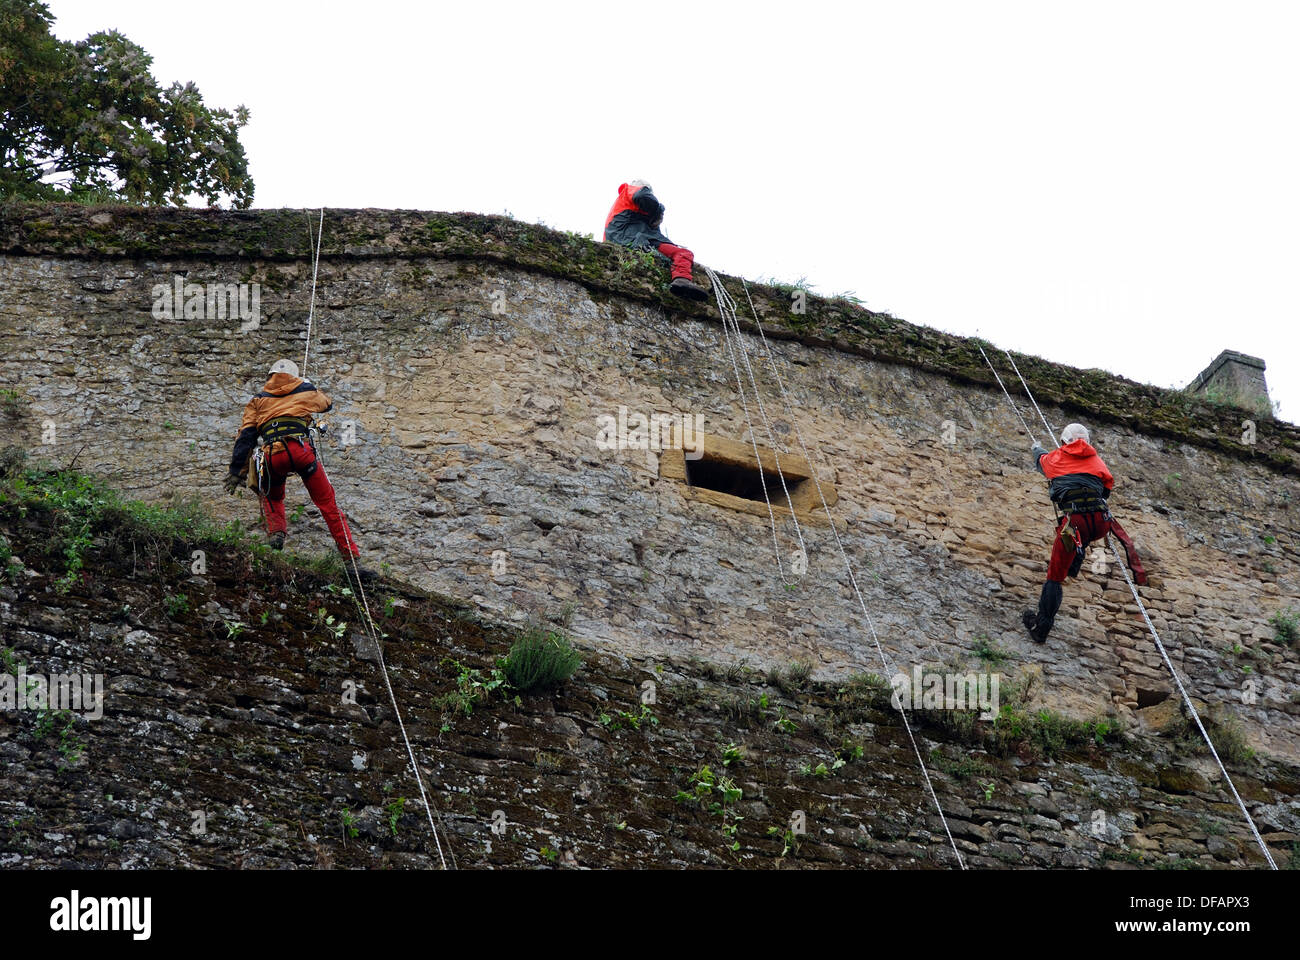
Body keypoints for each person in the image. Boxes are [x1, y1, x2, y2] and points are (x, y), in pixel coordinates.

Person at [223, 359, 372, 580]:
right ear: (295, 376)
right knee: (327, 503)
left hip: (273, 455)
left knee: (272, 496)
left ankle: (276, 536)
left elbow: (245, 437)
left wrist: (237, 471)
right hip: (301, 451)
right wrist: (308, 385)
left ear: (270, 376)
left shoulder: (258, 401)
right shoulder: (305, 390)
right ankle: (352, 560)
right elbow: (326, 404)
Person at [1022, 422, 1146, 643]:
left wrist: (1036, 448)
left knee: (1054, 576)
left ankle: (1041, 627)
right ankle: (1075, 559)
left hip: (1075, 522)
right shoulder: (1096, 460)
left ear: (1064, 441)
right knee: (1082, 538)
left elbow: (1042, 464)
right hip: (1101, 522)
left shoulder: (1056, 457)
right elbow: (1106, 488)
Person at [603, 180, 709, 302]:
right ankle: (682, 279)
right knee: (683, 253)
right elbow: (642, 195)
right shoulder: (631, 191)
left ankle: (682, 286)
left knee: (678, 254)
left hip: (627, 238)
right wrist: (657, 210)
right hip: (634, 238)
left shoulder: (626, 210)